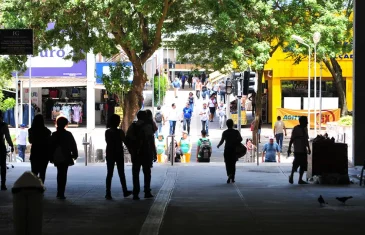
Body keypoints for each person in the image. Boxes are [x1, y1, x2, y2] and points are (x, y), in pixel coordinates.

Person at [125, 111, 154, 200]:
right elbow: (151, 141)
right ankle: (147, 191)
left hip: (136, 153)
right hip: (146, 153)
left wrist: (131, 150)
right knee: (147, 172)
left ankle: (136, 193)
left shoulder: (132, 126)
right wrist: (153, 152)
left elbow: (127, 140)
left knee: (135, 173)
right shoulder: (148, 127)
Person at [104, 114, 132, 200]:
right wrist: (131, 151)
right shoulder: (120, 132)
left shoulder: (107, 132)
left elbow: (107, 141)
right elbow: (125, 142)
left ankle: (108, 193)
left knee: (109, 173)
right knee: (121, 173)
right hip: (118, 153)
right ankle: (125, 191)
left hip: (110, 153)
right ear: (116, 122)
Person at [50, 116, 78, 199]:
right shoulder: (68, 134)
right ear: (66, 124)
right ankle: (61, 192)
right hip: (65, 155)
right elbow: (73, 145)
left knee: (59, 173)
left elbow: (51, 146)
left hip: (57, 156)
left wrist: (51, 156)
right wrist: (75, 154)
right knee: (63, 174)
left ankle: (59, 191)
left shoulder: (54, 134)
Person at [217, 119, 243, 184]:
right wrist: (235, 142)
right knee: (233, 164)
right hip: (234, 150)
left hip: (227, 149)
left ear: (227, 125)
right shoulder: (236, 132)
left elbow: (222, 141)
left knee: (227, 163)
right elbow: (240, 139)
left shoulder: (225, 132)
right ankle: (233, 177)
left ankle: (229, 175)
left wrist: (218, 145)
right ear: (232, 124)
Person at [287, 116, 311, 185]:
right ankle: (291, 176)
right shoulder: (296, 129)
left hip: (304, 150)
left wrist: (308, 148)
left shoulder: (305, 129)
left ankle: (300, 179)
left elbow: (306, 139)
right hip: (297, 149)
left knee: (303, 165)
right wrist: (289, 149)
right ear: (302, 122)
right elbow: (291, 139)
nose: (307, 122)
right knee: (296, 163)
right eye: (306, 121)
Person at [28, 114, 52, 184]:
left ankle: (34, 187)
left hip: (35, 152)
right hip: (44, 153)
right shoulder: (47, 131)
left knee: (34, 172)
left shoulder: (31, 130)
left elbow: (30, 141)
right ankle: (41, 187)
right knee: (42, 172)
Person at [0, 110, 14, 191]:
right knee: (3, 166)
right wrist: (11, 145)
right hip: (1, 146)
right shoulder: (3, 125)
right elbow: (7, 136)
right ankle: (3, 184)